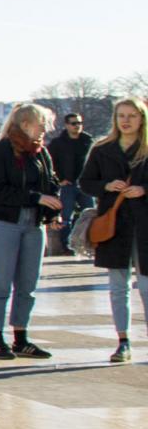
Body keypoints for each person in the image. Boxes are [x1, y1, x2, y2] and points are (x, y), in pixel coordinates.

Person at [0, 103, 63, 360]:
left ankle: (21, 338)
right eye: (41, 124)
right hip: (3, 223)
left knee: (28, 284)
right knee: (1, 282)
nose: (45, 130)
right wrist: (35, 197)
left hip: (34, 225)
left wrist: (52, 208)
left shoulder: (40, 154)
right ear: (25, 124)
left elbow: (52, 183)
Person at [78, 97, 148, 364]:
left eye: (132, 115)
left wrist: (143, 190)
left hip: (143, 224)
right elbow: (85, 182)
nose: (126, 120)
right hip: (115, 223)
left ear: (142, 119)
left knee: (146, 285)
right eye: (121, 115)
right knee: (118, 286)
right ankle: (123, 340)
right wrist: (106, 186)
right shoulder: (102, 148)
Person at [50, 111, 95, 258]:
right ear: (67, 125)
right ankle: (67, 247)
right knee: (65, 217)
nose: (78, 126)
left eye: (80, 123)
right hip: (67, 185)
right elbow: (49, 163)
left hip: (86, 185)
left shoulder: (88, 141)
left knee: (90, 215)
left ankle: (91, 244)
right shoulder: (58, 143)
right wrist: (59, 179)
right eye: (74, 123)